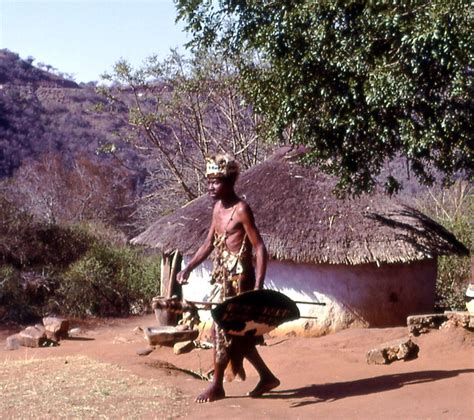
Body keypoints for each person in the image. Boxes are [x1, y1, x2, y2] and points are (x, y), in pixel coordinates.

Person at [177, 153, 280, 403]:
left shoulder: (241, 209)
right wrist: (188, 267)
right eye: (209, 182)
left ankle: (217, 385)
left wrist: (258, 288)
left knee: (220, 331)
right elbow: (209, 243)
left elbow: (259, 247)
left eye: (216, 182)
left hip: (240, 282)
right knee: (235, 335)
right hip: (223, 280)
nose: (211, 187)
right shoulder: (217, 209)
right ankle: (266, 377)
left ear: (230, 182)